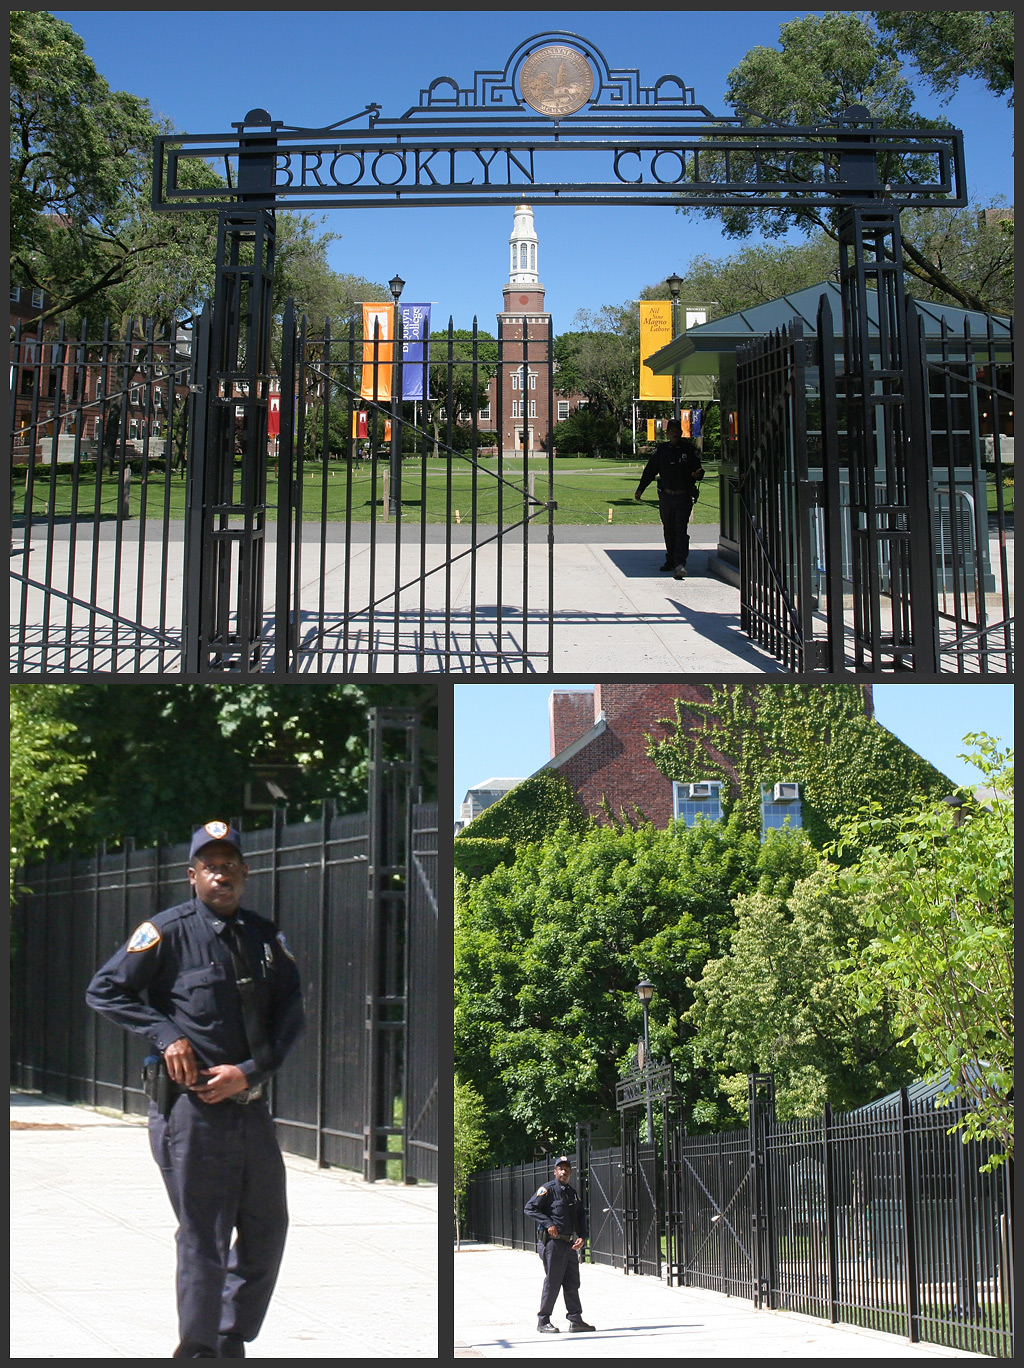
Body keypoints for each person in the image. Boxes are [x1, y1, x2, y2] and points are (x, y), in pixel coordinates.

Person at [85, 821, 305, 1359]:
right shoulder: (166, 932)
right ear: (192, 876)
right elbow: (104, 989)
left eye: (229, 865)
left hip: (251, 1110)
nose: (220, 874)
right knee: (203, 1236)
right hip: (193, 1113)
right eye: (210, 866)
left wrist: (249, 1073)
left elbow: (291, 1017)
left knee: (267, 1227)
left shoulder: (265, 937)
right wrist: (167, 1036)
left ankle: (230, 1335)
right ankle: (200, 1350)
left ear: (245, 873)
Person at [523, 1156, 595, 1334]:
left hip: (569, 1244)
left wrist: (582, 1236)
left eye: (566, 1168)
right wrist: (548, 1223)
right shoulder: (547, 1190)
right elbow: (530, 1208)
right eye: (560, 1168)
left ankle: (575, 1320)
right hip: (552, 1245)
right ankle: (543, 1320)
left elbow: (579, 1216)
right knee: (553, 1282)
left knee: (572, 1282)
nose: (563, 1171)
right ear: (555, 1171)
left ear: (570, 1171)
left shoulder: (572, 1192)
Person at [634, 417, 705, 578]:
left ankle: (680, 563)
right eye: (671, 430)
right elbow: (650, 471)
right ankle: (671, 560)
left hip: (683, 496)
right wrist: (640, 489)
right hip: (666, 496)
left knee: (680, 530)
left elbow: (699, 471)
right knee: (668, 530)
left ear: (681, 432)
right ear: (667, 433)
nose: (674, 433)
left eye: (677, 430)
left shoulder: (689, 450)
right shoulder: (662, 451)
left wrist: (698, 475)